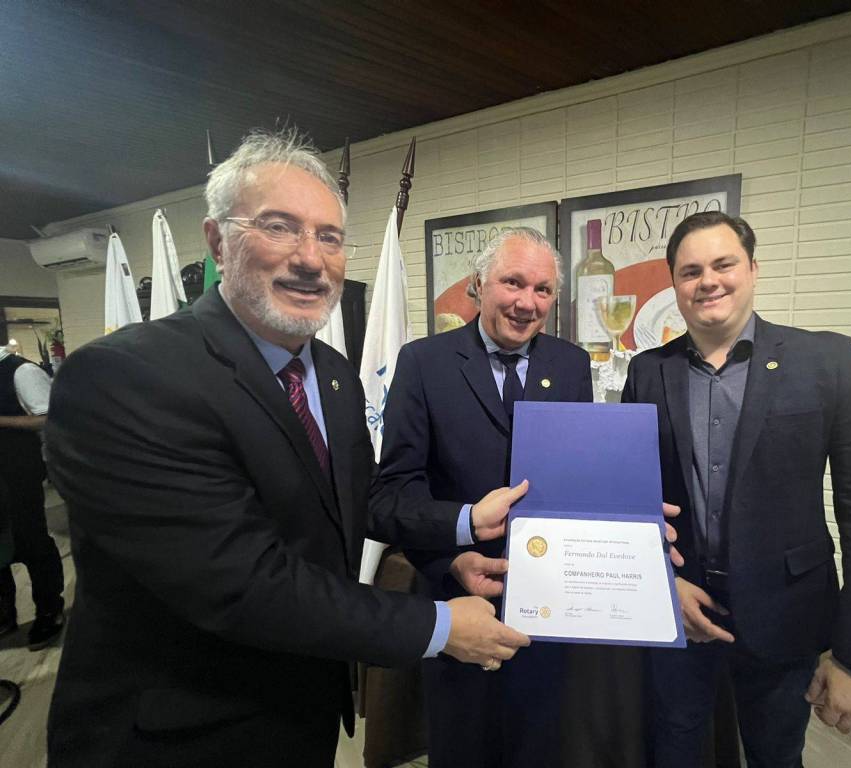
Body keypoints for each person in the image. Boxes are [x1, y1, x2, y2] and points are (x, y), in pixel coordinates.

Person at [44, 129, 530, 768]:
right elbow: (242, 582)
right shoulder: (126, 377)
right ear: (218, 241)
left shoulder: (331, 373)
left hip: (302, 712)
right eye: (279, 227)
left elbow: (357, 502)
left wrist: (463, 527)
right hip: (179, 736)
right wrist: (438, 626)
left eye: (329, 237)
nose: (310, 258)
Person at [622, 211, 851, 768]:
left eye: (723, 264)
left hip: (786, 613)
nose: (708, 281)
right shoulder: (647, 371)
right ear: (675, 284)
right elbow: (632, 499)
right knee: (674, 747)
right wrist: (662, 582)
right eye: (690, 271)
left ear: (753, 269)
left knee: (776, 754)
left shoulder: (827, 361)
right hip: (679, 610)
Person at [373, 227, 594, 768]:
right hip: (460, 606)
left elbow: (579, 478)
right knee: (463, 749)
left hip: (552, 608)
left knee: (543, 749)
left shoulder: (570, 365)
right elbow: (393, 495)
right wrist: (453, 554)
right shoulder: (423, 363)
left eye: (543, 289)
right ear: (478, 284)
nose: (527, 302)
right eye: (513, 282)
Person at [0, 343, 64, 649]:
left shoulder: (21, 370)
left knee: (30, 540)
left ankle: (49, 610)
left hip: (17, 475)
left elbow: (50, 417)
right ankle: (4, 613)